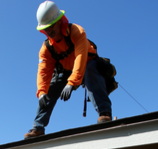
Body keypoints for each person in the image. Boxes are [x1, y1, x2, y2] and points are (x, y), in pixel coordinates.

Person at [25, 1, 113, 139]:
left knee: (91, 69)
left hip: (86, 64)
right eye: (45, 28)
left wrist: (71, 83)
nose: (48, 31)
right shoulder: (46, 48)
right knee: (49, 88)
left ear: (60, 21)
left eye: (51, 26)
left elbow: (80, 59)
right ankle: (38, 127)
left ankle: (104, 113)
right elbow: (43, 71)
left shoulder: (77, 32)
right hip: (66, 71)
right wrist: (41, 92)